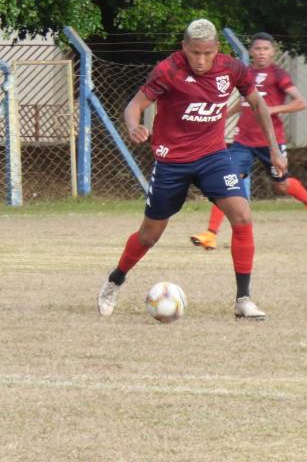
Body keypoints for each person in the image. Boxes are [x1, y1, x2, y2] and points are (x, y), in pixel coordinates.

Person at [97, 19, 286, 320]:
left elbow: (257, 103)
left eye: (207, 53)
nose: (201, 60)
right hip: (171, 162)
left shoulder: (232, 68)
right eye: (195, 53)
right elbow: (135, 105)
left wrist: (274, 149)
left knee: (242, 215)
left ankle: (243, 299)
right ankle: (116, 279)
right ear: (184, 48)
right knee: (149, 236)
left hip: (213, 156)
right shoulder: (168, 70)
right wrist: (133, 127)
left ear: (216, 50)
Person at [189, 32, 307, 251]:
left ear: (273, 52)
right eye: (258, 49)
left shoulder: (279, 75)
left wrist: (272, 109)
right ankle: (210, 234)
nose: (262, 53)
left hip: (271, 142)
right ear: (251, 52)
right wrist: (220, 116)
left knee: (282, 185)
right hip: (243, 141)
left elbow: (300, 102)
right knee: (227, 181)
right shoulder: (246, 73)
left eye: (266, 49)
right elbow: (243, 102)